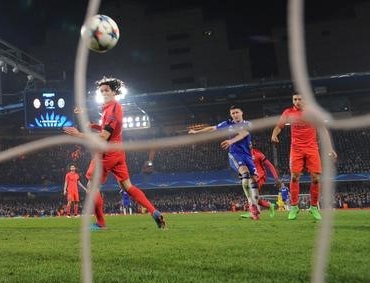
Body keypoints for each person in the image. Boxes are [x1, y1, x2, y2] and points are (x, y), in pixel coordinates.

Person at [64, 77, 166, 230]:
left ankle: (100, 224)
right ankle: (154, 211)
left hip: (106, 153)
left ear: (114, 91)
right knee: (128, 186)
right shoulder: (110, 108)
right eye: (102, 91)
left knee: (92, 186)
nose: (104, 93)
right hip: (118, 151)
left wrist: (79, 135)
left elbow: (104, 136)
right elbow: (108, 129)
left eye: (107, 90)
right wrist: (93, 125)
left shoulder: (113, 109)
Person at [271, 94, 337, 220]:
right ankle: (294, 207)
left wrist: (329, 148)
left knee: (316, 178)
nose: (297, 101)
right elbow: (279, 126)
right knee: (295, 177)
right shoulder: (288, 112)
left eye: (299, 99)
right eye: (295, 99)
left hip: (312, 149)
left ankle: (313, 207)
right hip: (296, 149)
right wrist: (274, 134)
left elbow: (323, 130)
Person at [189, 105, 261, 220]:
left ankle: (256, 208)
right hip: (235, 154)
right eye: (233, 113)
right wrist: (197, 131)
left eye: (237, 112)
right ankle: (251, 205)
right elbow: (213, 128)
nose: (235, 115)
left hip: (248, 155)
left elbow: (243, 134)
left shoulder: (248, 124)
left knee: (254, 180)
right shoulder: (227, 124)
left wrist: (231, 140)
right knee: (245, 174)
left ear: (242, 112)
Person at [245, 146, 282, 218]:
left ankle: (253, 213)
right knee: (254, 197)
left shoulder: (258, 154)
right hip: (251, 177)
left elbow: (270, 165)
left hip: (260, 176)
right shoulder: (244, 155)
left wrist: (276, 178)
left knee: (253, 194)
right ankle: (270, 205)